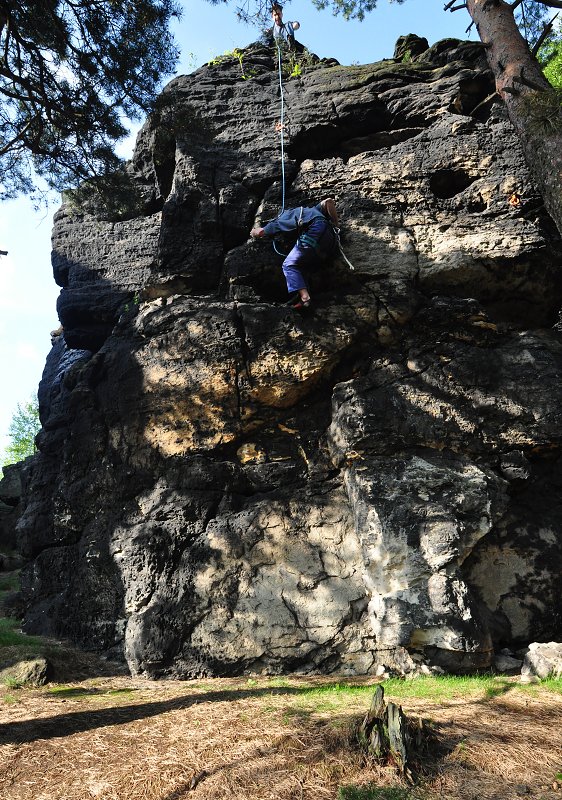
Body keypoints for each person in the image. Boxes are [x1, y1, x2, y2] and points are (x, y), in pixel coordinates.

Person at [251, 198, 339, 309]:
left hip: (313, 233)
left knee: (289, 265)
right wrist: (336, 225)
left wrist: (254, 231)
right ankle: (302, 295)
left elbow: (260, 232)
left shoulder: (282, 218)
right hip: (329, 239)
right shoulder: (312, 210)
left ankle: (305, 298)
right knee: (303, 266)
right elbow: (329, 202)